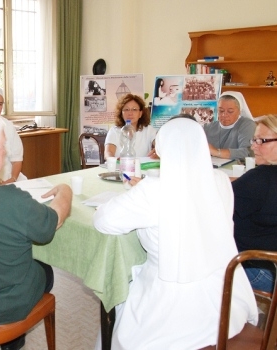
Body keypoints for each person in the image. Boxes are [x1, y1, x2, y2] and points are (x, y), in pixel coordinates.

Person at [94, 116, 258, 349]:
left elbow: (103, 221)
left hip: (168, 308)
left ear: (160, 148)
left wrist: (134, 194)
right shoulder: (221, 181)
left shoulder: (153, 190)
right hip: (224, 302)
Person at [0, 110, 72, 350]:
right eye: (2, 147)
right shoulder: (9, 200)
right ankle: (12, 342)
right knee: (45, 271)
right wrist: (64, 191)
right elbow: (51, 224)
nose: (6, 153)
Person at [232, 114, 277, 294]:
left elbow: (216, 202)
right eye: (254, 140)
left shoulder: (259, 179)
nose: (253, 146)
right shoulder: (261, 179)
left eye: (261, 141)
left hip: (259, 268)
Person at [204, 91, 256, 160]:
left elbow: (248, 153)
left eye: (230, 111)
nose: (224, 115)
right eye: (221, 111)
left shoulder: (247, 125)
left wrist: (217, 152)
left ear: (240, 111)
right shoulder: (209, 127)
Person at [104, 94, 157, 159]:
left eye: (134, 109)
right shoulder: (114, 130)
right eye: (126, 109)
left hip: (142, 168)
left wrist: (158, 152)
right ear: (121, 113)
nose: (130, 113)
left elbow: (160, 145)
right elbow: (108, 153)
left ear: (140, 113)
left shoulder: (149, 130)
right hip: (120, 167)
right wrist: (113, 160)